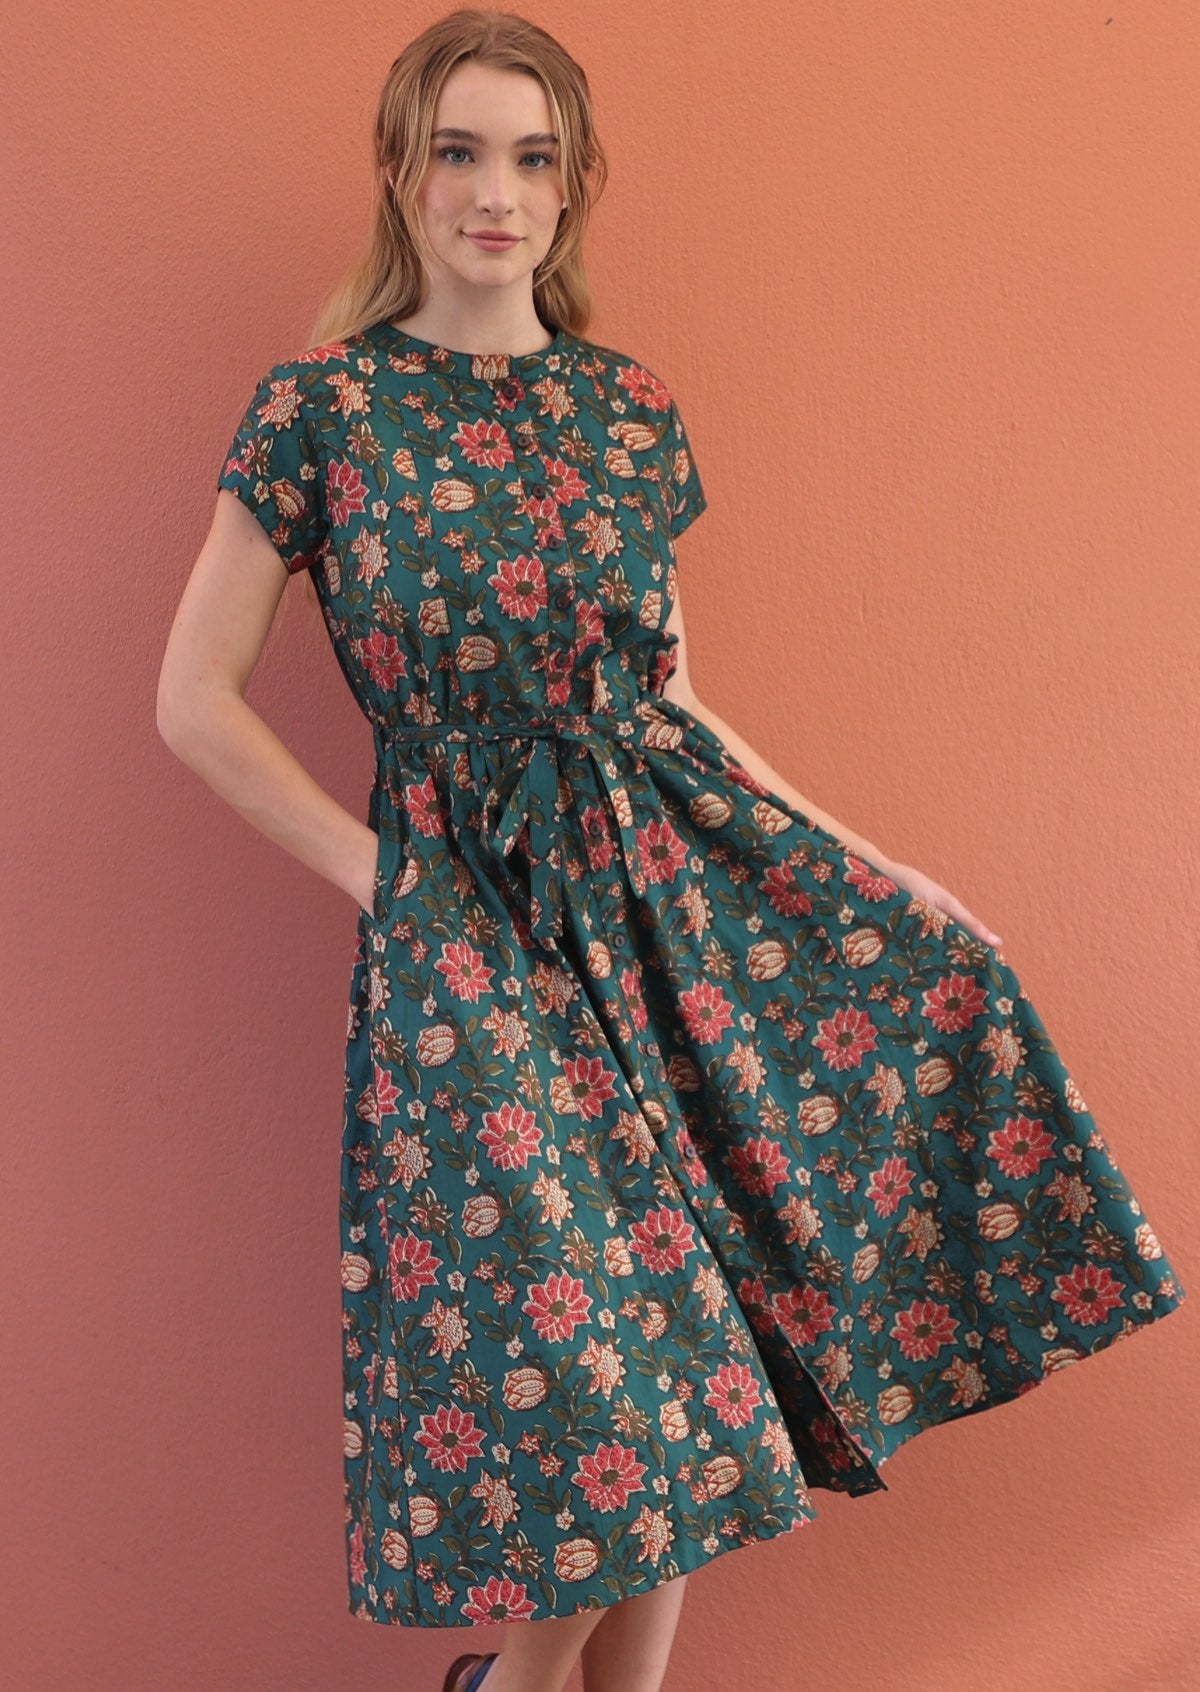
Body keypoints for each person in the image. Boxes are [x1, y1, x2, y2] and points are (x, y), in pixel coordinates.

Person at [157, 10, 1188, 1692]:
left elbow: (677, 705)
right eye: (462, 152)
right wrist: (385, 889)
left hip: (674, 916)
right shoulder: (321, 413)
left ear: (575, 188)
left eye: (534, 156)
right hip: (469, 949)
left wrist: (875, 869)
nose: (497, 193)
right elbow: (192, 702)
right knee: (629, 1398)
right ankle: (502, 1680)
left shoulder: (627, 413)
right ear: (403, 174)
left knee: (718, 1352)